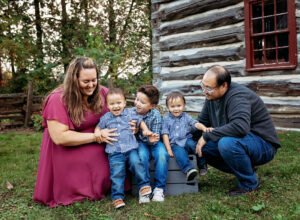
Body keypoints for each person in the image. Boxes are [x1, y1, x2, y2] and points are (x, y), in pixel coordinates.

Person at [33, 57, 121, 207]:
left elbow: (119, 110)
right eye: (85, 81)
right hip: (67, 146)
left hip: (99, 138)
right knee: (91, 160)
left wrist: (133, 124)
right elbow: (60, 137)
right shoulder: (58, 99)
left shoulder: (103, 92)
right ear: (74, 80)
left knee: (120, 155)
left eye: (94, 80)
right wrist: (96, 137)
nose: (91, 85)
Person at [195, 65, 281, 196]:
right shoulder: (211, 98)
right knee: (199, 147)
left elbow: (240, 127)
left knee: (227, 144)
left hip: (264, 144)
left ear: (224, 85)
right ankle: (247, 168)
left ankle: (249, 185)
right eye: (203, 86)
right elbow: (201, 122)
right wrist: (176, 133)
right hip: (243, 142)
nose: (204, 91)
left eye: (209, 88)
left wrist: (207, 136)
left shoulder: (238, 96)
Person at [95, 88, 153, 209]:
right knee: (117, 174)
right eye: (112, 104)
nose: (116, 106)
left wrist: (146, 129)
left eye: (118, 103)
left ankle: (143, 186)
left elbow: (140, 121)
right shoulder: (106, 118)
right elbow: (98, 128)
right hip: (115, 152)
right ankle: (117, 197)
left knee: (137, 163)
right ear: (107, 105)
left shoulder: (130, 113)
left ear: (125, 103)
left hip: (130, 149)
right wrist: (97, 133)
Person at [162, 92, 212, 181]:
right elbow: (165, 134)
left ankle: (202, 165)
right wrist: (169, 149)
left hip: (186, 140)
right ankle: (189, 169)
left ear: (184, 105)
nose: (176, 109)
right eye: (172, 106)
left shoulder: (186, 116)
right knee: (179, 153)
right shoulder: (166, 119)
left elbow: (195, 123)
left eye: (179, 106)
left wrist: (203, 128)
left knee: (194, 145)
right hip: (175, 144)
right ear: (167, 107)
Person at [135, 85, 170, 202]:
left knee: (162, 155)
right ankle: (144, 188)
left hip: (155, 142)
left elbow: (155, 136)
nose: (137, 103)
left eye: (142, 102)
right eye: (137, 99)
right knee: (142, 156)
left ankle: (159, 188)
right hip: (141, 142)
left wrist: (151, 138)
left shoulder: (155, 114)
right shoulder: (131, 113)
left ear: (152, 106)